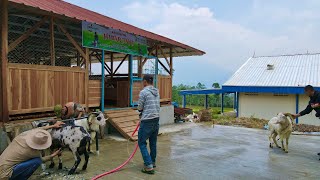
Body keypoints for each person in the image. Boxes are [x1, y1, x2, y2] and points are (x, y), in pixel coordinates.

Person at [0, 121, 64, 180]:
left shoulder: (23, 135)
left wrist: (53, 126)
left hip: (2, 165)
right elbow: (42, 160)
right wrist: (54, 154)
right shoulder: (32, 152)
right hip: (5, 175)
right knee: (37, 161)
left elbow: (38, 129)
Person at [137, 74, 160, 175]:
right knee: (153, 143)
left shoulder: (144, 92)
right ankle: (153, 162)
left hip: (147, 121)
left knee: (142, 143)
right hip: (156, 119)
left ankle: (149, 167)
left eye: (143, 81)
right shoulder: (156, 92)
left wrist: (140, 111)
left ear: (145, 82)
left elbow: (140, 107)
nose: (143, 83)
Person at [292, 85, 320, 156]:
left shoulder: (319, 95)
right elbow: (307, 110)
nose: (305, 94)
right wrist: (296, 115)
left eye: (305, 92)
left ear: (309, 91)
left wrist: (318, 104)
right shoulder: (311, 100)